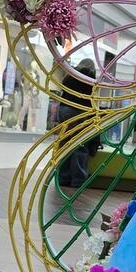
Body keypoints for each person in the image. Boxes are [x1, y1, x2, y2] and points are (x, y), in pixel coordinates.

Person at [55, 58, 99, 189]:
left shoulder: (71, 74)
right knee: (79, 145)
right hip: (79, 111)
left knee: (65, 144)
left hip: (64, 109)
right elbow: (91, 98)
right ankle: (78, 180)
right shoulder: (89, 76)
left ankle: (63, 178)